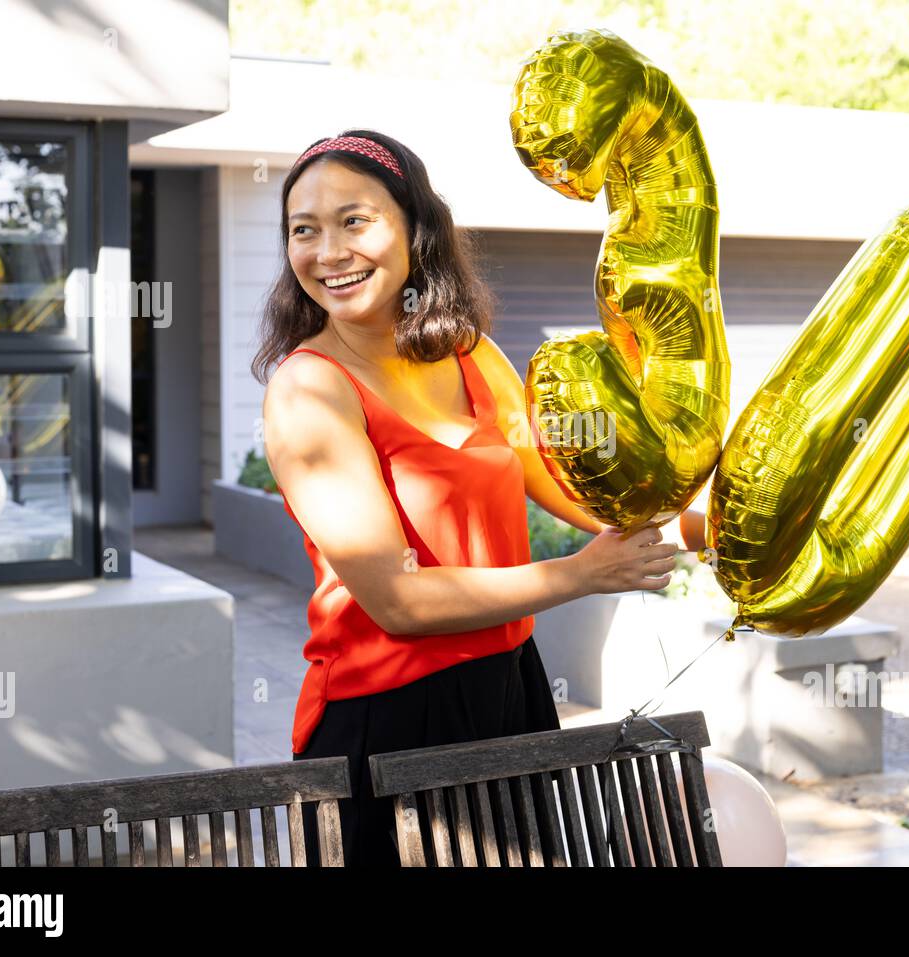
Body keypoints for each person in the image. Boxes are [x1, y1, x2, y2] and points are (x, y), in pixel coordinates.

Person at [253, 129, 707, 867]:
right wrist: (580, 575)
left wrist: (697, 525)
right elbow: (396, 600)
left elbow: (562, 484)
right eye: (303, 230)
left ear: (415, 228)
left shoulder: (471, 353)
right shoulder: (309, 389)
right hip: (386, 715)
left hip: (510, 687)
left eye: (354, 220)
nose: (327, 251)